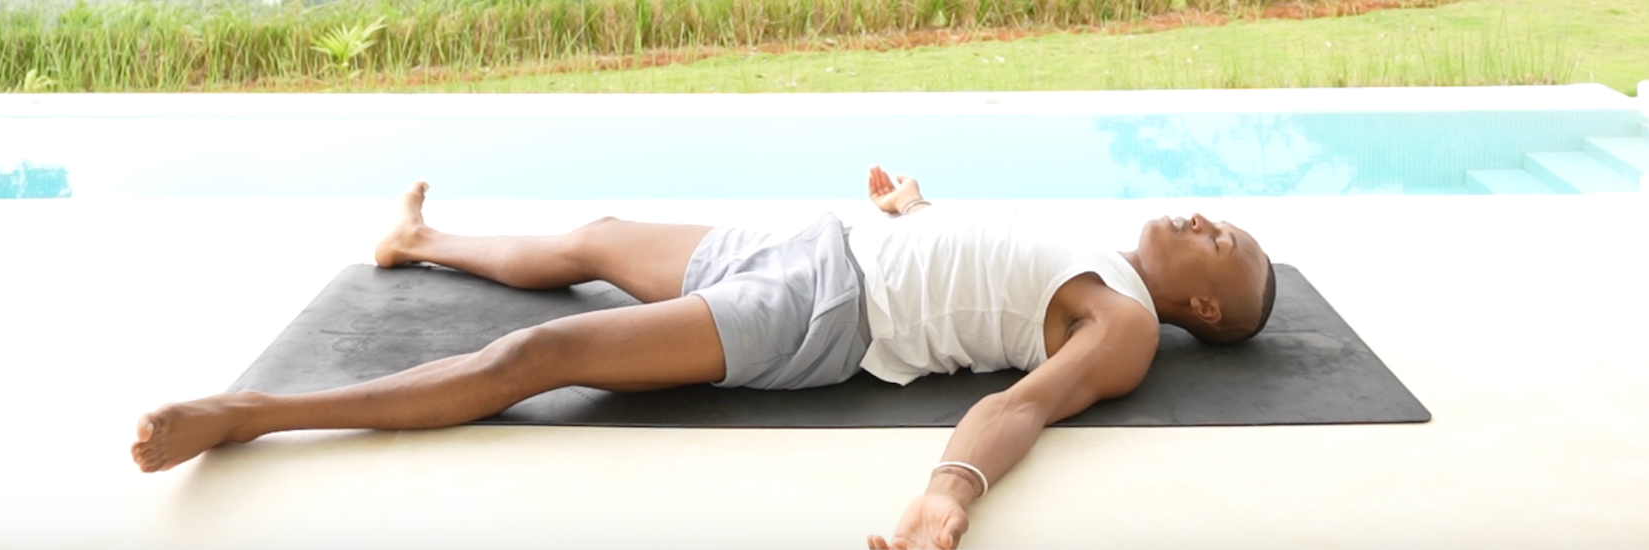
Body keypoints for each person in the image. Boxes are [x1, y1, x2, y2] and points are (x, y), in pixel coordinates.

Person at [131, 168, 1275, 550]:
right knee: (592, 238)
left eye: (1223, 242)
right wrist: (913, 207)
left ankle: (253, 412)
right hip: (821, 242)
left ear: (1209, 308)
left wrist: (947, 491)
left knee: (544, 352)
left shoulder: (1123, 327)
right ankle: (418, 239)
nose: (1203, 219)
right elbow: (983, 269)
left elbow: (1027, 405)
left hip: (825, 313)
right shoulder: (1094, 251)